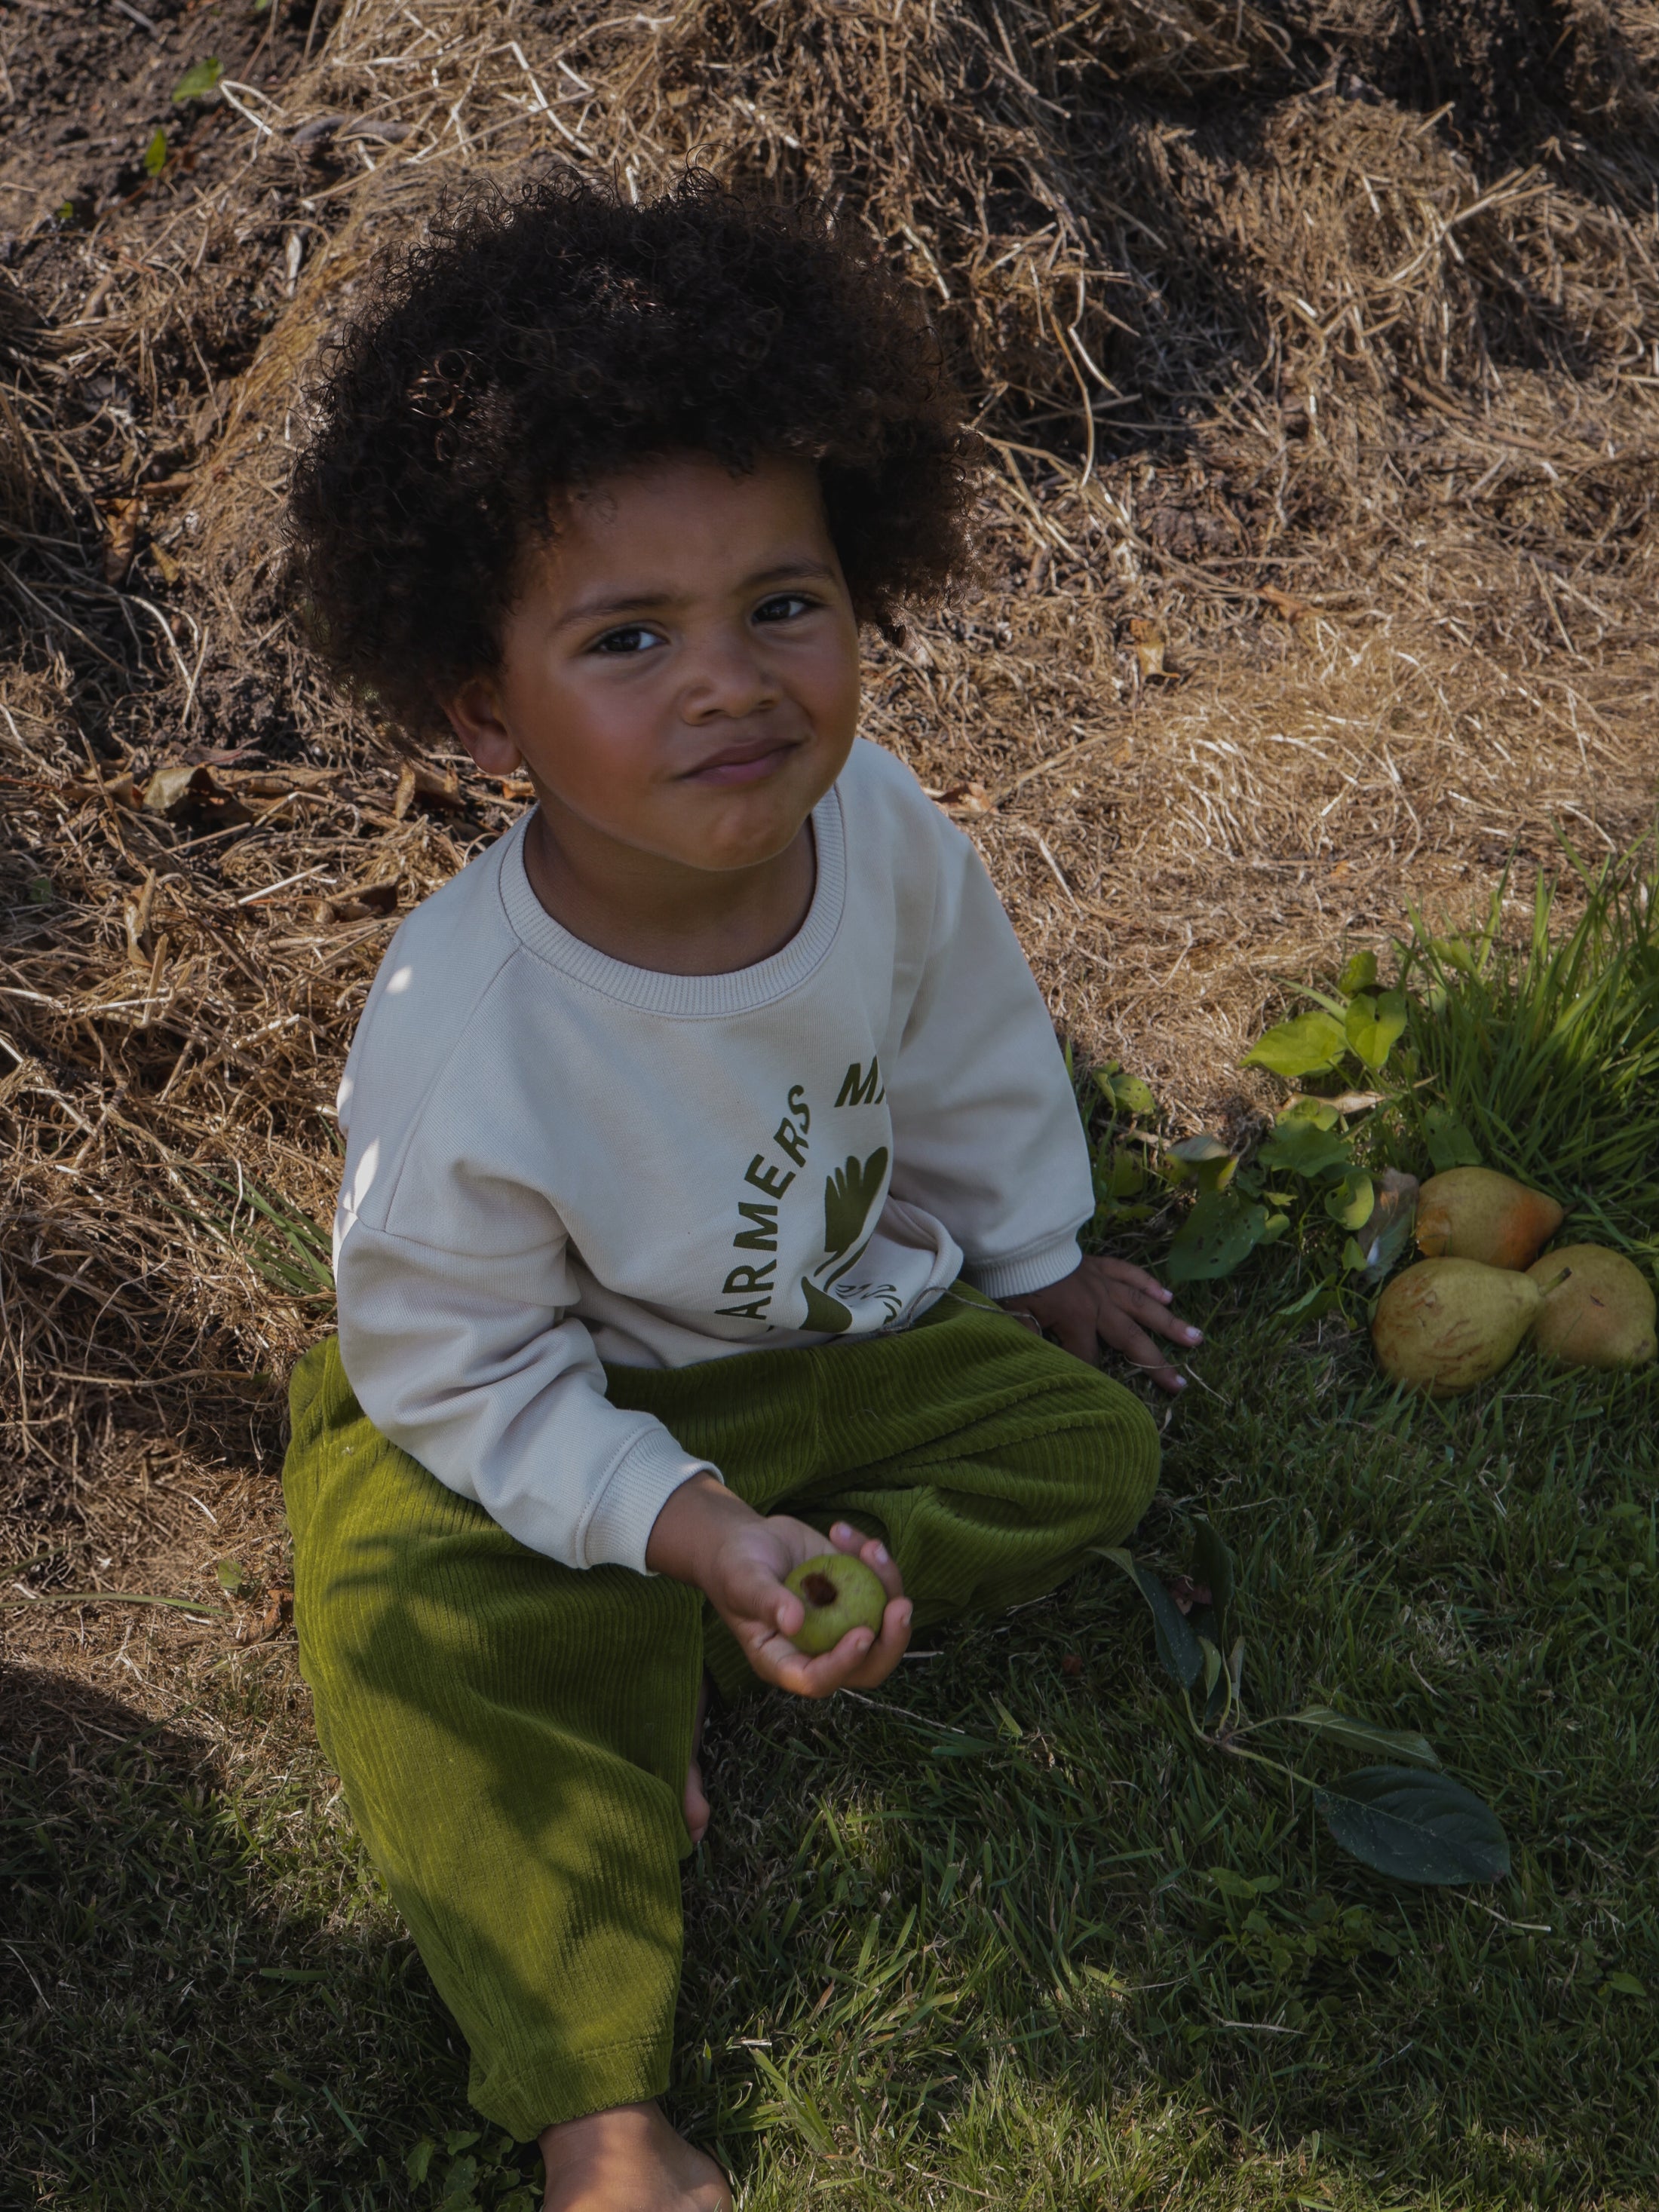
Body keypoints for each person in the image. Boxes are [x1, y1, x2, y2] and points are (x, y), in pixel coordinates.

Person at [281, 172, 1201, 2212]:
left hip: (809, 1350)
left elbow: (965, 1034)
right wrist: (666, 1516)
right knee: (407, 1620)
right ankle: (596, 2109)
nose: (732, 682)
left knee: (1078, 1444)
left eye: (784, 603)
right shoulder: (470, 1031)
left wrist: (1035, 1254)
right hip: (516, 1410)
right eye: (628, 637)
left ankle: (770, 1594)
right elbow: (453, 1360)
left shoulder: (871, 825)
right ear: (473, 700)